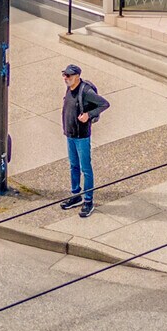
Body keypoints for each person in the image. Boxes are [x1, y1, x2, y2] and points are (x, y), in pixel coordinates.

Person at [59, 63, 110, 217]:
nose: (65, 78)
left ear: (77, 77)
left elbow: (104, 104)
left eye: (68, 76)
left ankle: (88, 201)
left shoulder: (85, 91)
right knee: (73, 166)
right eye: (64, 75)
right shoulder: (69, 88)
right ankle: (76, 195)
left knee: (86, 169)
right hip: (70, 135)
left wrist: (89, 115)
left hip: (82, 137)